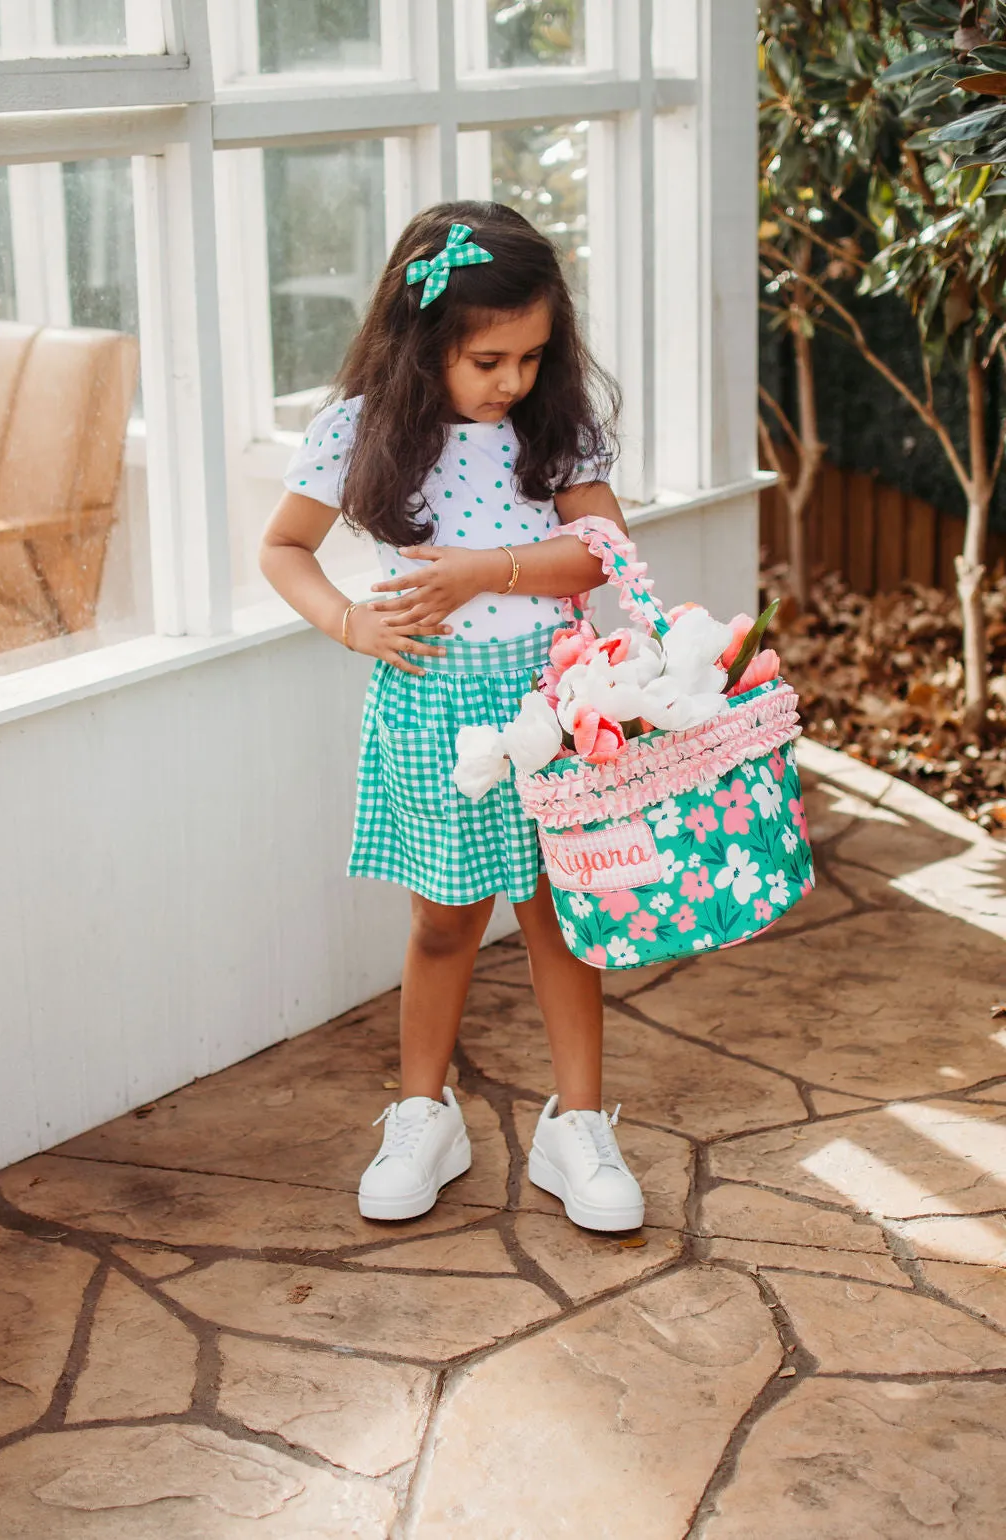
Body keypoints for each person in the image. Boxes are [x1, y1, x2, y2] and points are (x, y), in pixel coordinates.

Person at [260, 201, 645, 1233]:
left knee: (562, 916)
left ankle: (577, 1127)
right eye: (487, 359)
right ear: (423, 340)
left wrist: (486, 569)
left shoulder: (552, 426)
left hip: (553, 703)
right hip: (431, 705)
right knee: (442, 920)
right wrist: (347, 621)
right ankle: (423, 1112)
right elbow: (282, 548)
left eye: (530, 354)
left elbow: (602, 550)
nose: (510, 379)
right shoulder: (356, 431)